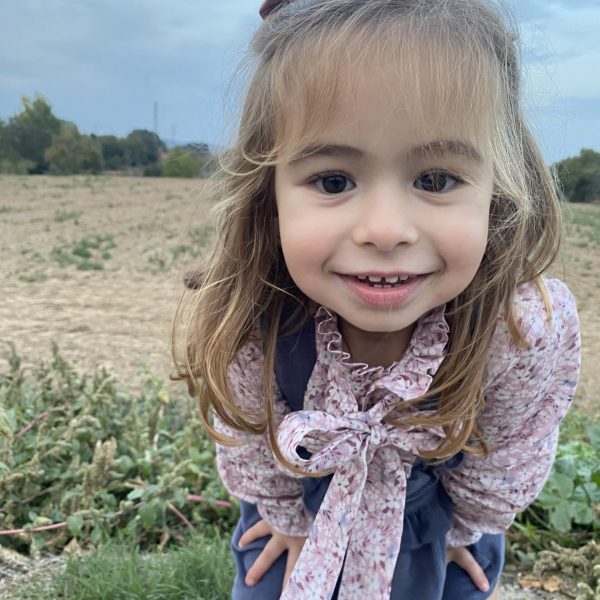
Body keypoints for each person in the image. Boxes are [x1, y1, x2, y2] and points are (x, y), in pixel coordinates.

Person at [172, 0, 581, 598]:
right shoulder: (257, 314)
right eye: (334, 181)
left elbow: (514, 446)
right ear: (268, 193)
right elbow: (251, 432)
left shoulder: (518, 327)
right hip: (299, 522)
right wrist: (285, 518)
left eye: (435, 180)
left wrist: (466, 529)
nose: (386, 229)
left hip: (443, 536)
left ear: (499, 185)